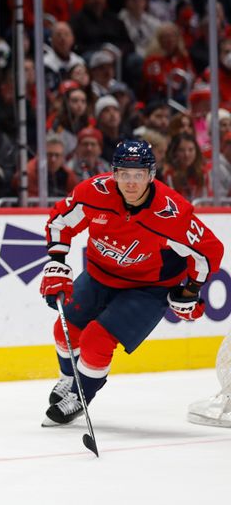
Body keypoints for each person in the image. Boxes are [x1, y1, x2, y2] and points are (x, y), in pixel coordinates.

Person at [39, 139, 224, 425]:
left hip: (149, 288)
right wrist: (56, 261)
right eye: (124, 174)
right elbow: (60, 221)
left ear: (151, 175)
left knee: (95, 340)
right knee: (64, 331)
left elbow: (208, 250)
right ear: (114, 173)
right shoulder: (94, 192)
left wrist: (191, 289)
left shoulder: (171, 212)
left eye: (138, 175)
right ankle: (69, 378)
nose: (131, 182)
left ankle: (80, 396)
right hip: (100, 274)